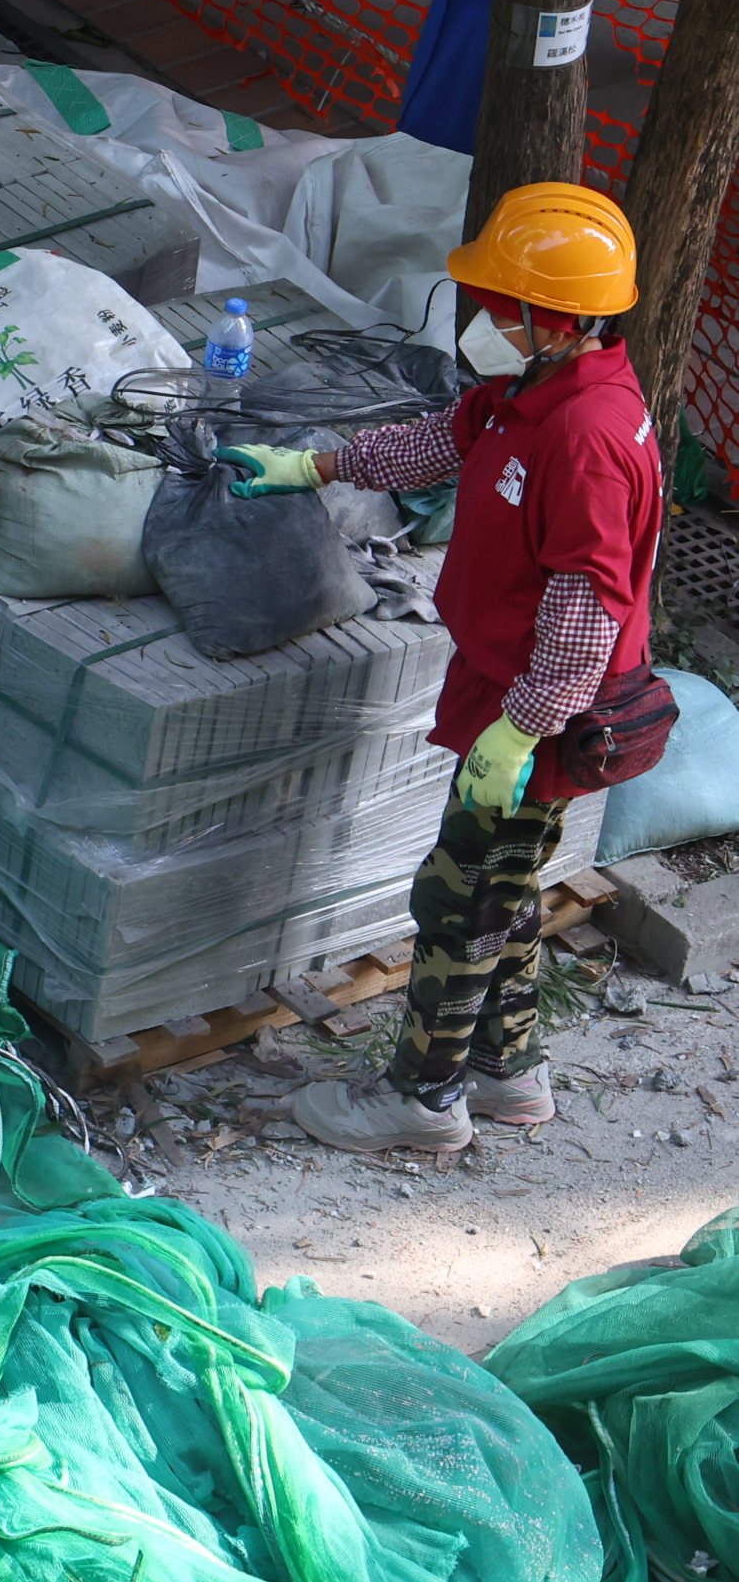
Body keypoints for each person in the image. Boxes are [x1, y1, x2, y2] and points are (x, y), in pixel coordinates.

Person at [235, 182, 667, 1157]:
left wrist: (521, 728)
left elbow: (586, 599)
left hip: (544, 711)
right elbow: (439, 439)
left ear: (553, 318)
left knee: (458, 895)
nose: (484, 318)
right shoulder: (531, 391)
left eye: (501, 304)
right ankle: (509, 1072)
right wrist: (317, 469)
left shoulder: (589, 434)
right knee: (501, 884)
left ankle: (421, 1101)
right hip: (504, 685)